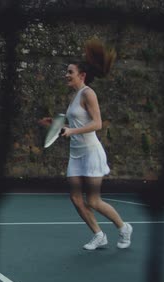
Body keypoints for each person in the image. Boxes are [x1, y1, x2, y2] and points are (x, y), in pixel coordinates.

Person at [40, 39, 132, 250]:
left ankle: (123, 227)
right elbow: (76, 122)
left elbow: (97, 123)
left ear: (81, 75)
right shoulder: (74, 97)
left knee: (93, 201)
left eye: (70, 72)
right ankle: (99, 235)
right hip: (76, 154)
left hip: (91, 153)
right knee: (75, 197)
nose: (66, 74)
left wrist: (71, 130)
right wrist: (55, 125)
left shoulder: (88, 93)